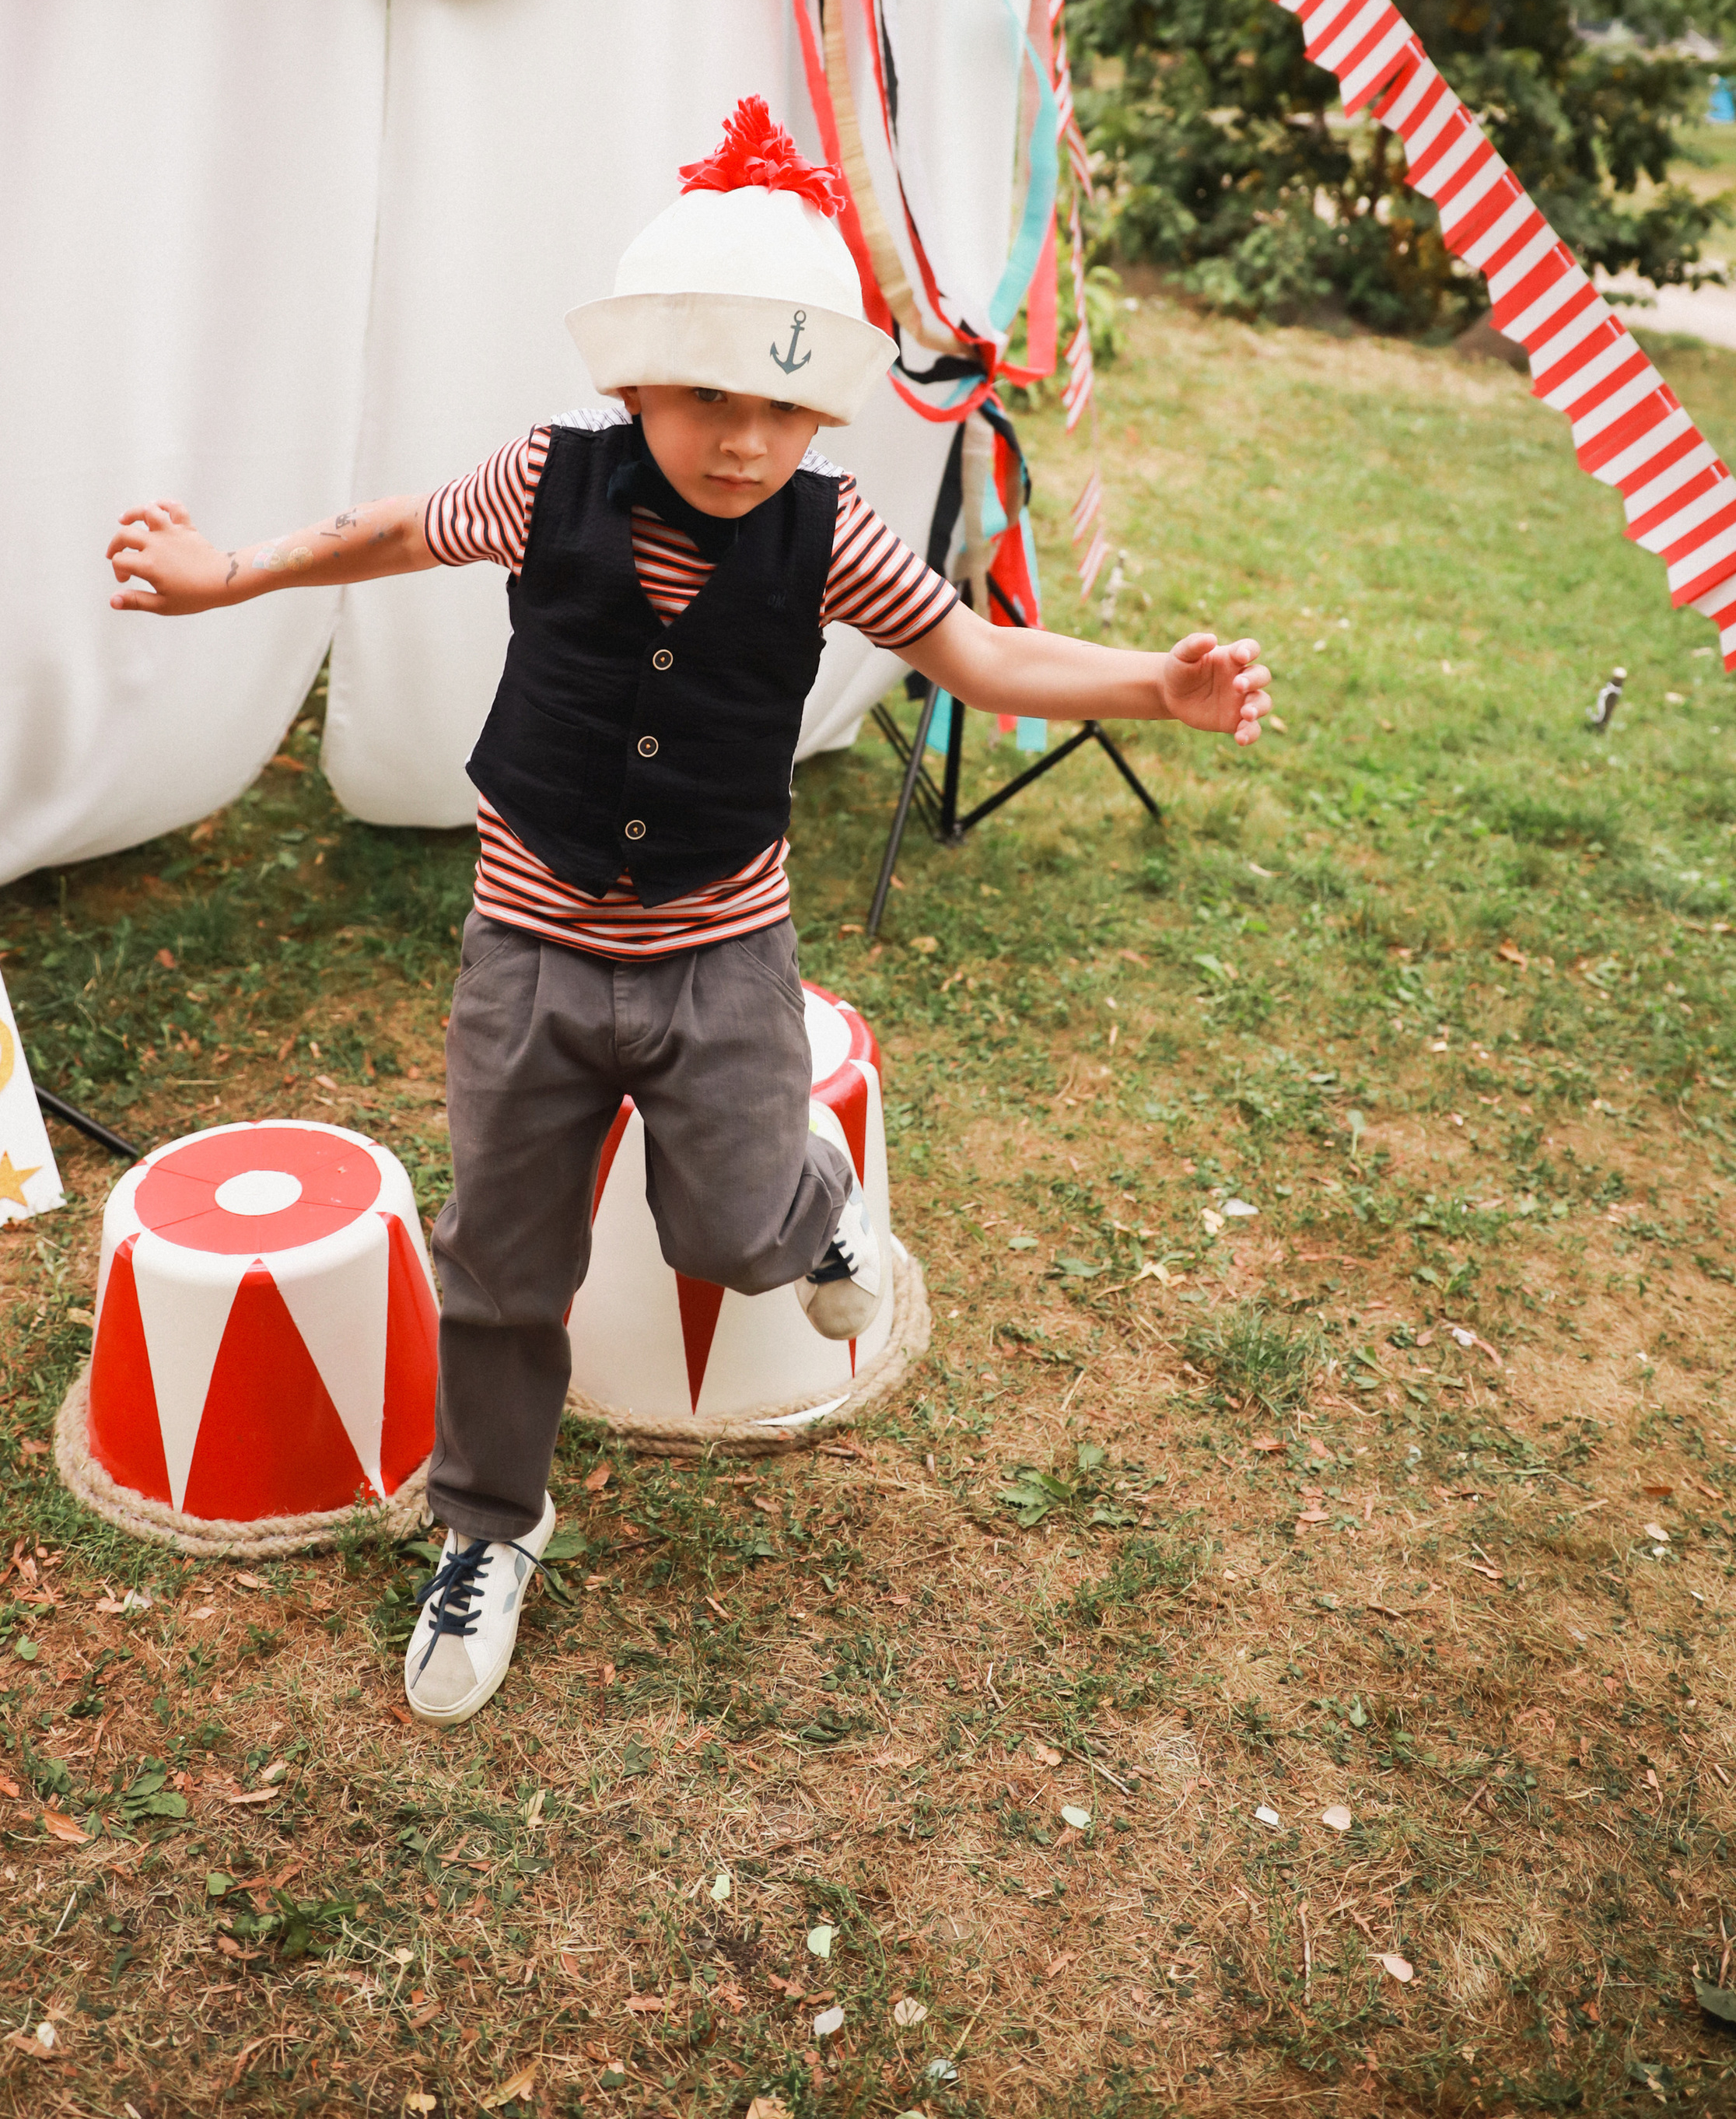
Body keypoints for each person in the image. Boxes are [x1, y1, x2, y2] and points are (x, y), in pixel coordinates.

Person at [105, 96, 1272, 1725]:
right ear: (633, 381)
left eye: (783, 409)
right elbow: (389, 530)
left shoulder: (833, 532)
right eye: (708, 399)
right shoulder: (545, 483)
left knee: (721, 1231)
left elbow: (978, 656)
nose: (742, 441)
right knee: (503, 1265)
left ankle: (818, 1208)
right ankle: (489, 1527)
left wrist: (1153, 682)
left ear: (821, 418)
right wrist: (231, 571)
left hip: (722, 953)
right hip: (528, 948)